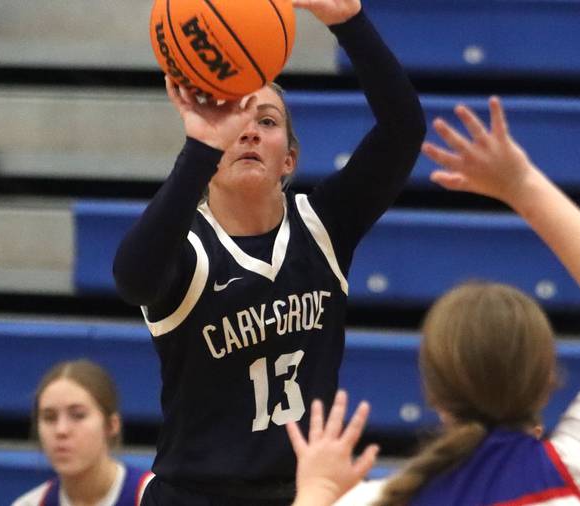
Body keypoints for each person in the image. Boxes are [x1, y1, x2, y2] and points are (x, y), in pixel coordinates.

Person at [111, 0, 426, 502]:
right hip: (195, 494)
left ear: (289, 159)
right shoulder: (187, 247)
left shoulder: (323, 226)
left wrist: (348, 21)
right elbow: (132, 279)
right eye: (235, 117)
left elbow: (403, 129)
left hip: (302, 492)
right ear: (209, 149)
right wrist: (199, 147)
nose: (251, 129)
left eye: (268, 120)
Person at [292, 96, 580, 506]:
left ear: (433, 390)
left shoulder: (375, 500)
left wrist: (316, 491)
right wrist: (521, 185)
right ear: (545, 380)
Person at [12, 359, 154, 506]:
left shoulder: (155, 497)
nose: (61, 430)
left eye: (78, 415)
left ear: (112, 425)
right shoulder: (29, 503)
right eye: (49, 417)